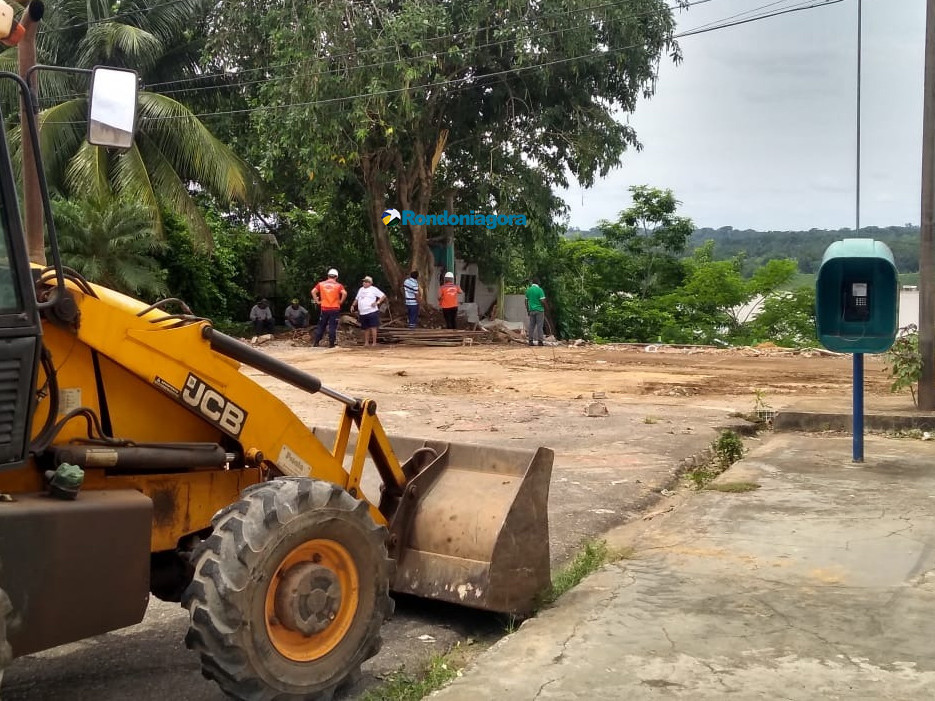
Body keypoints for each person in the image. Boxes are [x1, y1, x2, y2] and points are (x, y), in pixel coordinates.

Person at [311, 268, 347, 347]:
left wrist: (317, 301)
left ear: (328, 276)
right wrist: (341, 302)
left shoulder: (321, 284)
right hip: (334, 308)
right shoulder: (338, 285)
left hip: (324, 308)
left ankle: (316, 342)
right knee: (332, 326)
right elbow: (344, 293)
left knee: (321, 325)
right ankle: (331, 344)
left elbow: (313, 291)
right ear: (336, 277)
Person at [351, 276, 387, 347]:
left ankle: (374, 343)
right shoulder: (361, 289)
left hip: (372, 311)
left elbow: (383, 296)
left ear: (370, 283)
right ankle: (366, 343)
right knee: (366, 328)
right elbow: (357, 298)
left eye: (366, 282)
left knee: (373, 327)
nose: (364, 283)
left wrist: (377, 302)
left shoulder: (374, 289)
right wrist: (353, 305)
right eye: (364, 281)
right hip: (363, 312)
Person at [525, 278, 548, 347]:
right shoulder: (540, 290)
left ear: (532, 283)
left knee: (531, 326)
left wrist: (528, 310)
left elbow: (526, 301)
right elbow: (543, 301)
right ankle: (540, 341)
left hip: (531, 310)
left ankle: (530, 341)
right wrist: (546, 308)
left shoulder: (528, 290)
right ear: (538, 283)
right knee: (539, 326)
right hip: (539, 310)